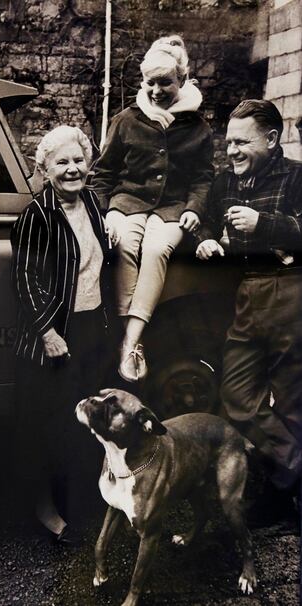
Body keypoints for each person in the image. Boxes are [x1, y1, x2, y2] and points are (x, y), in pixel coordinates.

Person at [196, 99, 302, 528]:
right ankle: (294, 468)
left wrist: (264, 225)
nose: (232, 151)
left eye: (243, 142)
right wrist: (207, 240)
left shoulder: (296, 176)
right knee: (237, 395)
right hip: (246, 293)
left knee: (294, 401)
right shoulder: (226, 182)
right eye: (229, 142)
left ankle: (281, 499)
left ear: (272, 139)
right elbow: (203, 220)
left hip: (291, 290)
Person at [91, 34, 214, 383]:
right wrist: (100, 214)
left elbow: (204, 177)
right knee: (126, 244)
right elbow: (104, 173)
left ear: (183, 81)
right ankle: (130, 336)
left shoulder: (197, 127)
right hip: (127, 202)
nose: (157, 91)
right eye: (150, 83)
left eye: (166, 83)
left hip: (173, 209)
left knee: (157, 248)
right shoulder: (127, 119)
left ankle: (130, 341)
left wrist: (195, 208)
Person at [11, 125, 109, 543]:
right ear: (43, 169)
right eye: (61, 162)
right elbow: (25, 278)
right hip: (55, 335)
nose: (72, 169)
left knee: (86, 422)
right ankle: (45, 509)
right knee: (51, 426)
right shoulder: (37, 214)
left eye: (78, 160)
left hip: (91, 327)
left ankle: (79, 501)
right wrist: (47, 332)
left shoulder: (91, 201)